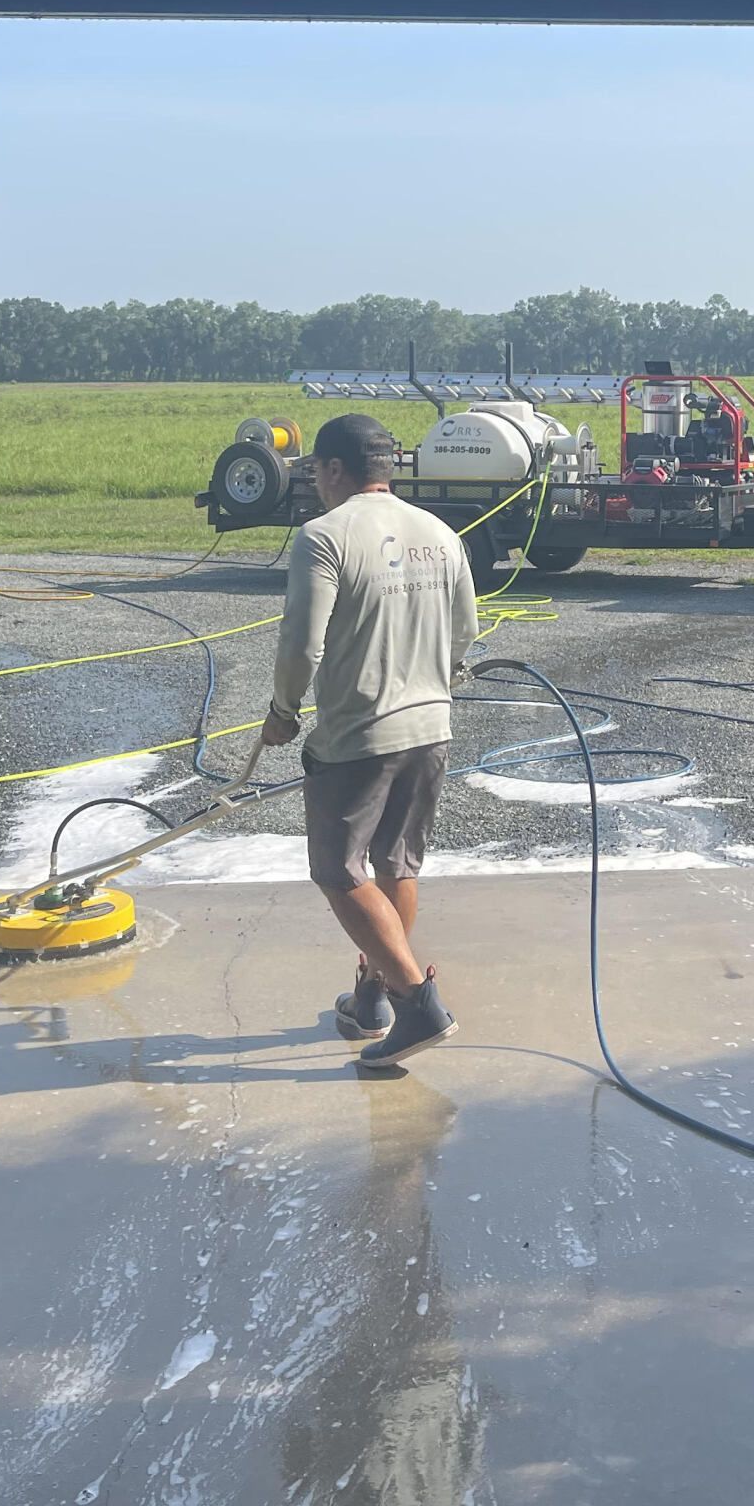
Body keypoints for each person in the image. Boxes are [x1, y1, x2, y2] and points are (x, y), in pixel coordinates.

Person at [261, 411, 478, 1068]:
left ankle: (417, 1002)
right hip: (431, 729)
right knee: (395, 865)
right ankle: (372, 999)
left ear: (334, 469)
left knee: (338, 870)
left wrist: (282, 710)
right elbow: (465, 631)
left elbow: (302, 643)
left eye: (315, 473)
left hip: (358, 736)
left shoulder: (324, 537)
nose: (315, 485)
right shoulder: (439, 532)